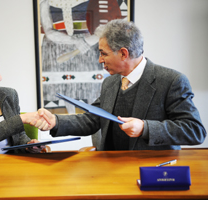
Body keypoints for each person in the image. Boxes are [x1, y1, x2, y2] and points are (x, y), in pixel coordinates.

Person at [36, 19, 207, 150]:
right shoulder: (110, 83)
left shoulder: (172, 81)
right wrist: (56, 122)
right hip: (110, 172)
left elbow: (195, 130)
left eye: (103, 53)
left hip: (151, 173)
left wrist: (145, 128)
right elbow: (91, 119)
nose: (99, 59)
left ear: (123, 53)